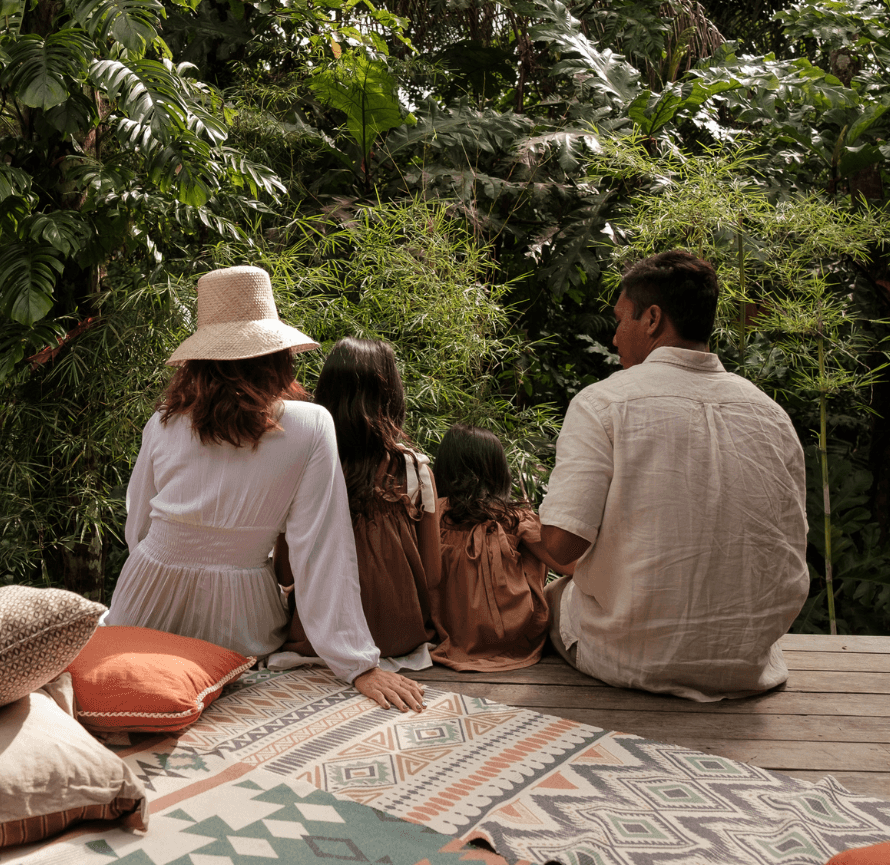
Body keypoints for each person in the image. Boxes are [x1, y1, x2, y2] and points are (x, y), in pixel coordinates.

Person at [104, 266, 424, 712]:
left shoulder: (162, 424)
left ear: (200, 358)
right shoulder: (311, 425)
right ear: (278, 354)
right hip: (239, 622)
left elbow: (136, 528)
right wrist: (357, 663)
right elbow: (320, 547)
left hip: (143, 608)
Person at [537, 250, 809, 702]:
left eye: (622, 320)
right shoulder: (771, 415)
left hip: (634, 657)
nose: (615, 337)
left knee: (547, 599)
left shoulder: (603, 403)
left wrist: (528, 533)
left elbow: (563, 545)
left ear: (652, 319)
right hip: (746, 662)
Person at [278, 337, 442, 670]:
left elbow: (283, 571)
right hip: (398, 637)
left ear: (326, 395)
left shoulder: (303, 466)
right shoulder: (415, 470)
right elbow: (434, 574)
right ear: (392, 396)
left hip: (317, 638)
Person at [428, 424, 563, 672]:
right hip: (510, 641)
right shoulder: (514, 518)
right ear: (499, 470)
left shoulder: (428, 514)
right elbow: (567, 563)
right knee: (563, 586)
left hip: (440, 634)